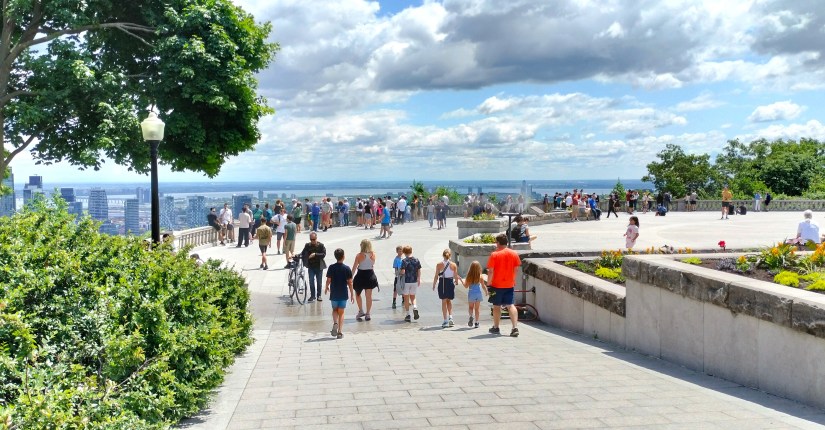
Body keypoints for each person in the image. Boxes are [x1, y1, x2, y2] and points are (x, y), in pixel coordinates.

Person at [486, 234, 520, 337]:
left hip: (497, 284)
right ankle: (514, 327)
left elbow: (491, 271)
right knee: (510, 305)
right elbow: (516, 269)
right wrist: (513, 280)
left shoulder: (494, 255)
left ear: (498, 243)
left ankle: (496, 327)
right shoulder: (514, 253)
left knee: (496, 306)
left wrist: (488, 284)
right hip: (509, 284)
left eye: (496, 242)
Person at [324, 248, 354, 340]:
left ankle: (335, 323)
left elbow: (328, 280)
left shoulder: (331, 267)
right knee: (341, 312)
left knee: (334, 310)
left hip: (334, 293)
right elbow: (350, 282)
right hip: (343, 293)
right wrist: (352, 294)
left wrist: (326, 287)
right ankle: (340, 332)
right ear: (343, 257)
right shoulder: (347, 268)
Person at [433, 249, 462, 328]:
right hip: (450, 282)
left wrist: (434, 284)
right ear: (450, 256)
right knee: (449, 301)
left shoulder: (439, 264)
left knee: (443, 301)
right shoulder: (453, 265)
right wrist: (456, 282)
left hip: (442, 283)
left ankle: (445, 320)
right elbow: (455, 275)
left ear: (443, 255)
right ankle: (451, 317)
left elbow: (436, 275)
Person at [352, 239, 379, 321]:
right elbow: (371, 264)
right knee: (369, 296)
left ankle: (361, 310)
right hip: (370, 275)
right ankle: (368, 313)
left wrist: (350, 278)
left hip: (360, 275)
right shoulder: (373, 255)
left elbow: (354, 268)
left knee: (358, 294)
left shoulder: (359, 255)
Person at [301, 232, 326, 302]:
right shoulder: (307, 245)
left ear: (316, 238)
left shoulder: (321, 245)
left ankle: (319, 295)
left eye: (314, 239)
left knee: (319, 282)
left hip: (319, 266)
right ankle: (312, 296)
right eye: (311, 239)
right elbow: (303, 253)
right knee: (311, 281)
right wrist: (296, 255)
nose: (312, 241)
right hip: (311, 267)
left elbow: (323, 254)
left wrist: (315, 254)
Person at [400, 245, 421, 322]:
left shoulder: (404, 261)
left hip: (406, 281)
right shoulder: (416, 260)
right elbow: (418, 270)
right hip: (414, 281)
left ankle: (408, 314)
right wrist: (418, 278)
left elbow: (403, 271)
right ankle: (415, 307)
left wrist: (400, 273)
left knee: (406, 298)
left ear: (404, 252)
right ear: (411, 251)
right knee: (413, 296)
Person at [464, 260, 488, 328]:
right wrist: (486, 291)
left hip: (471, 293)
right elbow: (483, 286)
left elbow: (466, 286)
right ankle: (477, 323)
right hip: (478, 294)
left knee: (471, 307)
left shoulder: (469, 276)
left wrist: (461, 280)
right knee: (477, 309)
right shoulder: (480, 277)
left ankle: (471, 316)